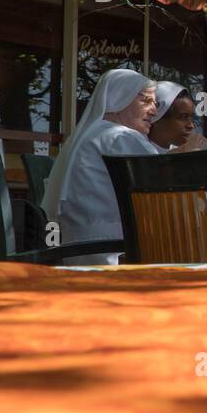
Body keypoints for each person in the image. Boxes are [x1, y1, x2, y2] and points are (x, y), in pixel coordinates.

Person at [42, 68, 159, 265]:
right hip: (112, 251)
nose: (154, 111)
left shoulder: (93, 135)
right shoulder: (120, 137)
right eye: (145, 101)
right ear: (118, 99)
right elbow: (166, 186)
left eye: (155, 103)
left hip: (76, 249)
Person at [148, 82, 204, 151]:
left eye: (192, 118)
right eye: (183, 117)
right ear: (157, 118)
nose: (191, 126)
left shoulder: (185, 152)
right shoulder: (139, 153)